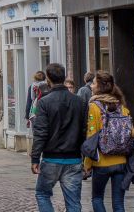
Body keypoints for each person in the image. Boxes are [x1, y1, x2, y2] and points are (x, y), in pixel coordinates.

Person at [31, 63, 87, 212]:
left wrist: (35, 158)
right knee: (73, 201)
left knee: (42, 194)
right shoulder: (79, 101)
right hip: (74, 157)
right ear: (64, 78)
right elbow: (84, 131)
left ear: (48, 78)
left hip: (51, 158)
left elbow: (41, 132)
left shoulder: (44, 102)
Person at [83, 71, 134, 212]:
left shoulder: (94, 107)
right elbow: (132, 133)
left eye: (93, 83)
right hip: (121, 161)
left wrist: (87, 164)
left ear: (99, 87)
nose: (91, 86)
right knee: (118, 203)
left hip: (101, 162)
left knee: (97, 198)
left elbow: (91, 136)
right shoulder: (121, 106)